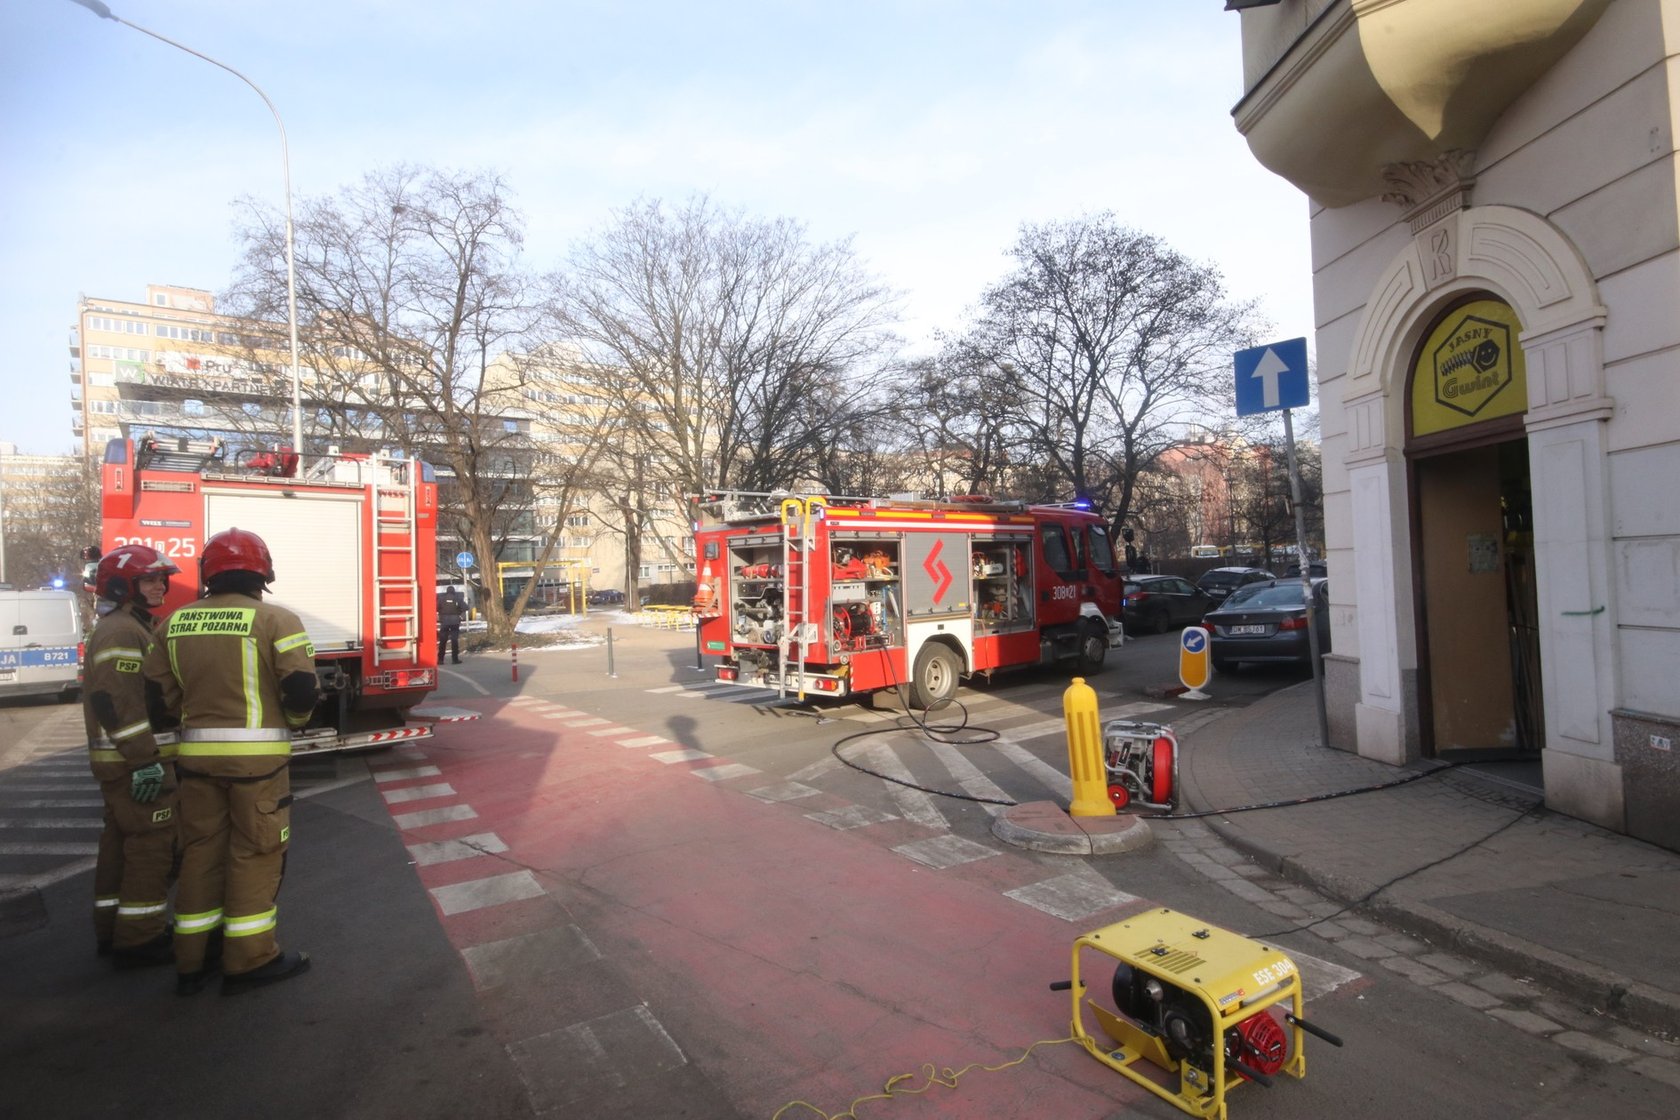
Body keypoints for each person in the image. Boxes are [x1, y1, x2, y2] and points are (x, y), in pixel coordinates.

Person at [144, 527, 318, 996]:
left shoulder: (172, 624)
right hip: (257, 767)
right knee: (255, 853)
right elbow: (301, 690)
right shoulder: (277, 620)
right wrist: (294, 723)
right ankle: (249, 959)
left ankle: (192, 959)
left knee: (201, 854)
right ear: (263, 574)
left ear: (208, 574)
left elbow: (157, 700)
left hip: (195, 765)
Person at [82, 544, 181, 967]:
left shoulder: (128, 625)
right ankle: (141, 937)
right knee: (151, 847)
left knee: (120, 845)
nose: (160, 586)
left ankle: (113, 928)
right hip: (134, 763)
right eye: (149, 580)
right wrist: (144, 761)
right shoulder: (123, 631)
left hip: (121, 763)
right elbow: (118, 701)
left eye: (161, 579)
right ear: (124, 586)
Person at [437, 585, 463, 664]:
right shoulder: (457, 598)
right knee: (454, 640)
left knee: (443, 640)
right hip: (455, 622)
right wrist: (459, 613)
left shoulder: (441, 599)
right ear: (453, 591)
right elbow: (466, 607)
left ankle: (440, 659)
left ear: (447, 591)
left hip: (444, 621)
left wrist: (441, 612)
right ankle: (455, 659)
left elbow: (436, 607)